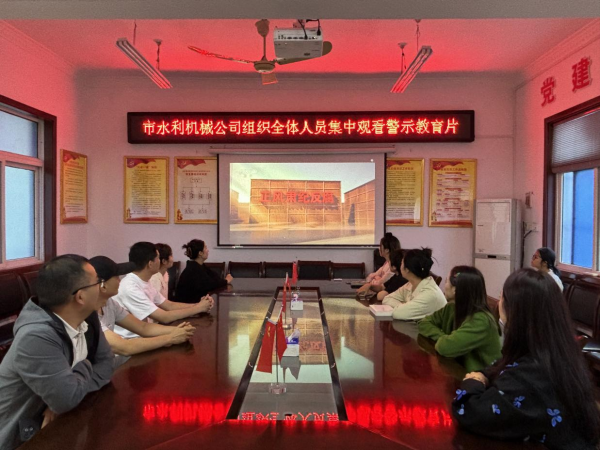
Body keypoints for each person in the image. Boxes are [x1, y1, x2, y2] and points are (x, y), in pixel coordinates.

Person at [451, 268, 600, 449]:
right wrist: (483, 375)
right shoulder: (556, 353)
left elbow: (468, 410)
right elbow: (498, 366)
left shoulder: (529, 376)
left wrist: (473, 380)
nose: (498, 302)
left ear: (516, 313)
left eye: (502, 297)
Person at [0, 255, 114, 449]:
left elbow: (106, 364)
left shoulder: (87, 317)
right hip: (20, 439)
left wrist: (67, 394)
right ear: (80, 297)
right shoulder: (36, 337)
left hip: (60, 423)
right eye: (98, 282)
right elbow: (66, 399)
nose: (102, 288)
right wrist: (85, 364)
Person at [89, 256, 196, 357]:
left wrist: (177, 330)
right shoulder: (88, 313)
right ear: (103, 285)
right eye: (116, 277)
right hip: (103, 365)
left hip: (111, 358)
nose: (120, 280)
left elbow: (143, 327)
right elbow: (124, 347)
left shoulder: (110, 303)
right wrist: (170, 338)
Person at [112, 242, 214, 339]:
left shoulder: (144, 280)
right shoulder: (130, 287)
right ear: (150, 264)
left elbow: (169, 305)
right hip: (131, 340)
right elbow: (164, 317)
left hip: (144, 334)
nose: (160, 261)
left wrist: (200, 305)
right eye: (158, 258)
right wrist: (198, 308)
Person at [418, 266, 501, 372]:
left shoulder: (481, 320)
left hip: (481, 377)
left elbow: (445, 347)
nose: (444, 286)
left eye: (446, 281)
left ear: (455, 290)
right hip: (457, 369)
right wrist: (444, 337)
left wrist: (446, 340)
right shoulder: (451, 308)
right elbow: (423, 323)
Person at [382, 248, 446, 320]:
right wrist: (405, 306)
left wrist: (404, 307)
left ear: (407, 269)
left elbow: (398, 313)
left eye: (402, 263)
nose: (400, 266)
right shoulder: (411, 284)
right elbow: (387, 299)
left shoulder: (429, 293)